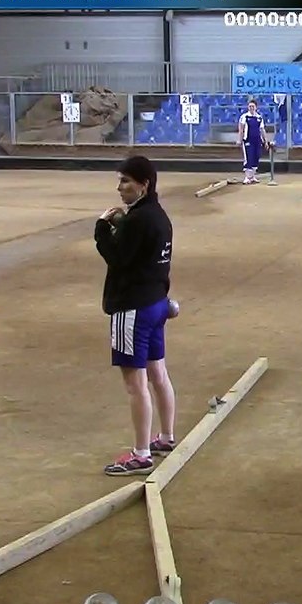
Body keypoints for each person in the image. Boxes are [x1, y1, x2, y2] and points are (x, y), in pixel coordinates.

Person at [95, 156, 179, 476]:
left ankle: (141, 453)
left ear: (144, 185)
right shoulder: (158, 217)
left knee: (135, 384)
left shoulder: (138, 220)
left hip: (132, 309)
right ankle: (166, 437)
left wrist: (103, 227)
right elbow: (139, 250)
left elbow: (117, 257)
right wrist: (121, 224)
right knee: (158, 374)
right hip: (156, 303)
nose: (120, 188)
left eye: (126, 182)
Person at [238, 99, 271, 185]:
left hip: (257, 141)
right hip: (248, 140)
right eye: (249, 106)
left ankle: (252, 177)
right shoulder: (244, 117)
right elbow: (241, 129)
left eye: (253, 106)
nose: (251, 108)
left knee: (256, 157)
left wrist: (265, 141)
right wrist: (240, 139)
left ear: (256, 107)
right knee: (248, 158)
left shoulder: (259, 117)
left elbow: (262, 130)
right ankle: (247, 177)